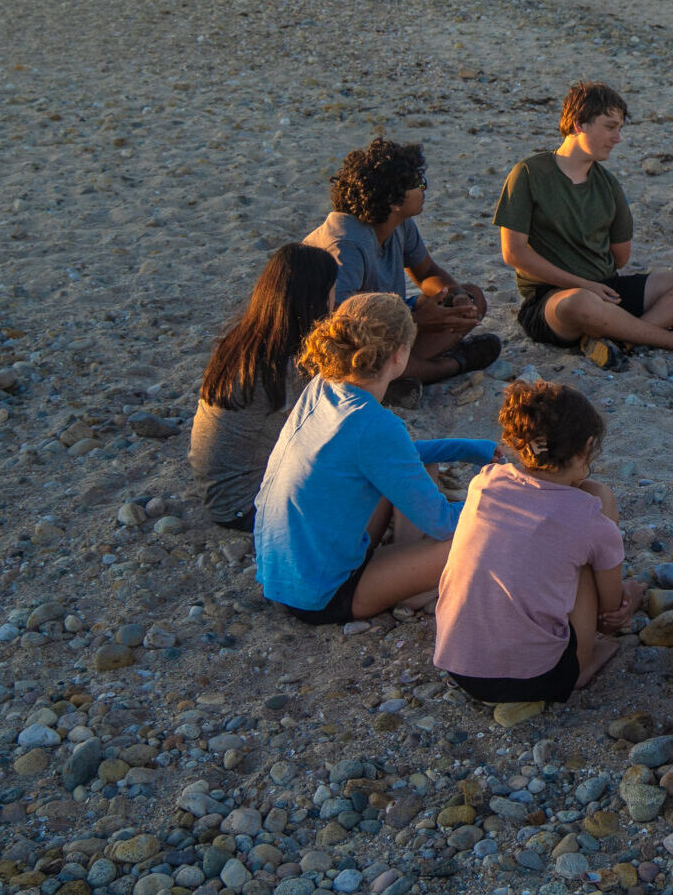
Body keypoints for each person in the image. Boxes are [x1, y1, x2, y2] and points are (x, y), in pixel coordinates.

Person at [253, 294, 497, 625]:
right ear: (399, 356)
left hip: (280, 574)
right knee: (481, 536)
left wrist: (468, 448)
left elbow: (389, 457)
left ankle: (406, 568)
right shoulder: (374, 424)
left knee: (425, 468)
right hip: (322, 595)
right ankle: (411, 585)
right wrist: (499, 500)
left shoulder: (323, 386)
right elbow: (442, 521)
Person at [497, 82, 673, 372]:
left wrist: (598, 286)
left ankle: (624, 340)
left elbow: (621, 258)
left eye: (619, 128)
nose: (617, 138)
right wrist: (584, 283)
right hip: (551, 298)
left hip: (608, 290)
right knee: (580, 304)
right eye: (610, 127)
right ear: (579, 123)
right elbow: (514, 253)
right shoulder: (529, 173)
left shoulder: (608, 185)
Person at [434, 381, 645, 704]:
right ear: (586, 448)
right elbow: (610, 610)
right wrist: (632, 594)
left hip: (460, 668)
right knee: (586, 563)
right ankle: (583, 664)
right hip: (536, 679)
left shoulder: (484, 483)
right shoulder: (588, 518)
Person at [305, 138, 501, 388]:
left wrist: (456, 295)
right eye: (418, 184)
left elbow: (427, 271)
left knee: (473, 297)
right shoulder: (347, 245)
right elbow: (340, 327)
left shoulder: (397, 222)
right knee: (378, 355)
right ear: (395, 201)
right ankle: (446, 367)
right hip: (340, 340)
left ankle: (400, 374)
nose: (424, 189)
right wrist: (416, 321)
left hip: (386, 323)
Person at [190, 245, 341, 531]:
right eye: (332, 291)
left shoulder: (243, 342)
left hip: (219, 496)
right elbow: (325, 438)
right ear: (314, 300)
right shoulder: (287, 366)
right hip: (248, 506)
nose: (335, 301)